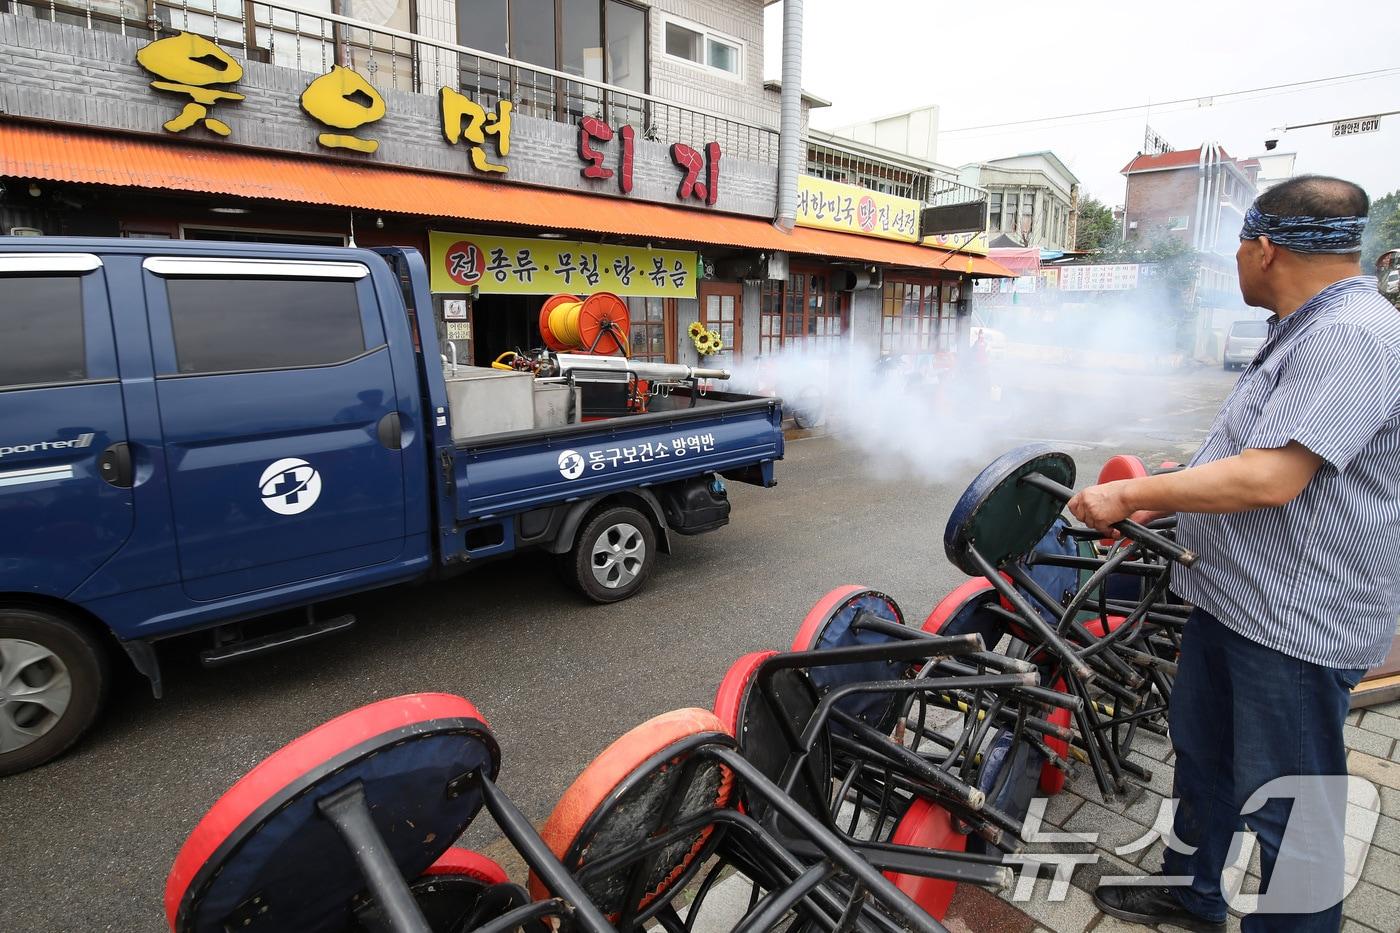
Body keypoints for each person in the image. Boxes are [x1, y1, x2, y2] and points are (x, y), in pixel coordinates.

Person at [1067, 175, 1400, 932]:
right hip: (1237, 600)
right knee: (1207, 762)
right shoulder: (1309, 322)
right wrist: (1161, 493)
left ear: (1264, 246)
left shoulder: (1350, 334)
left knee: (1292, 809)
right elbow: (1245, 451)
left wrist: (1122, 498)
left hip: (1295, 623)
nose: (1240, 262)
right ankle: (1194, 892)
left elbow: (1272, 476)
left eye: (1240, 247)